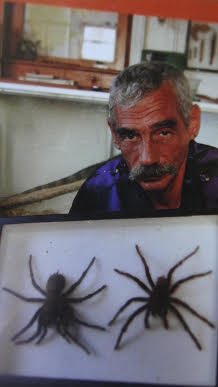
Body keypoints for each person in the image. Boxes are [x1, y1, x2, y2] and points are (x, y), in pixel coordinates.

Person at [69, 62, 218, 217]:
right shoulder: (99, 193)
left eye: (164, 133)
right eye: (131, 136)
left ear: (192, 123)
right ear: (114, 134)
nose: (147, 159)